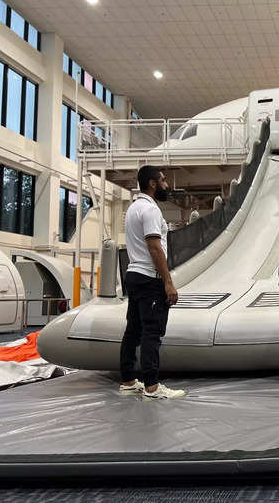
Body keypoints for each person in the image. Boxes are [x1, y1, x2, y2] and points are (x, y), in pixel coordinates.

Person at [119, 165, 185, 400]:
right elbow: (155, 247)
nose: (167, 185)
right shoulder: (150, 211)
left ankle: (128, 380)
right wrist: (168, 281)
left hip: (134, 274)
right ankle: (152, 387)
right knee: (152, 333)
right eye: (163, 180)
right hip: (149, 278)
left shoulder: (133, 209)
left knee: (133, 330)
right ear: (153, 184)